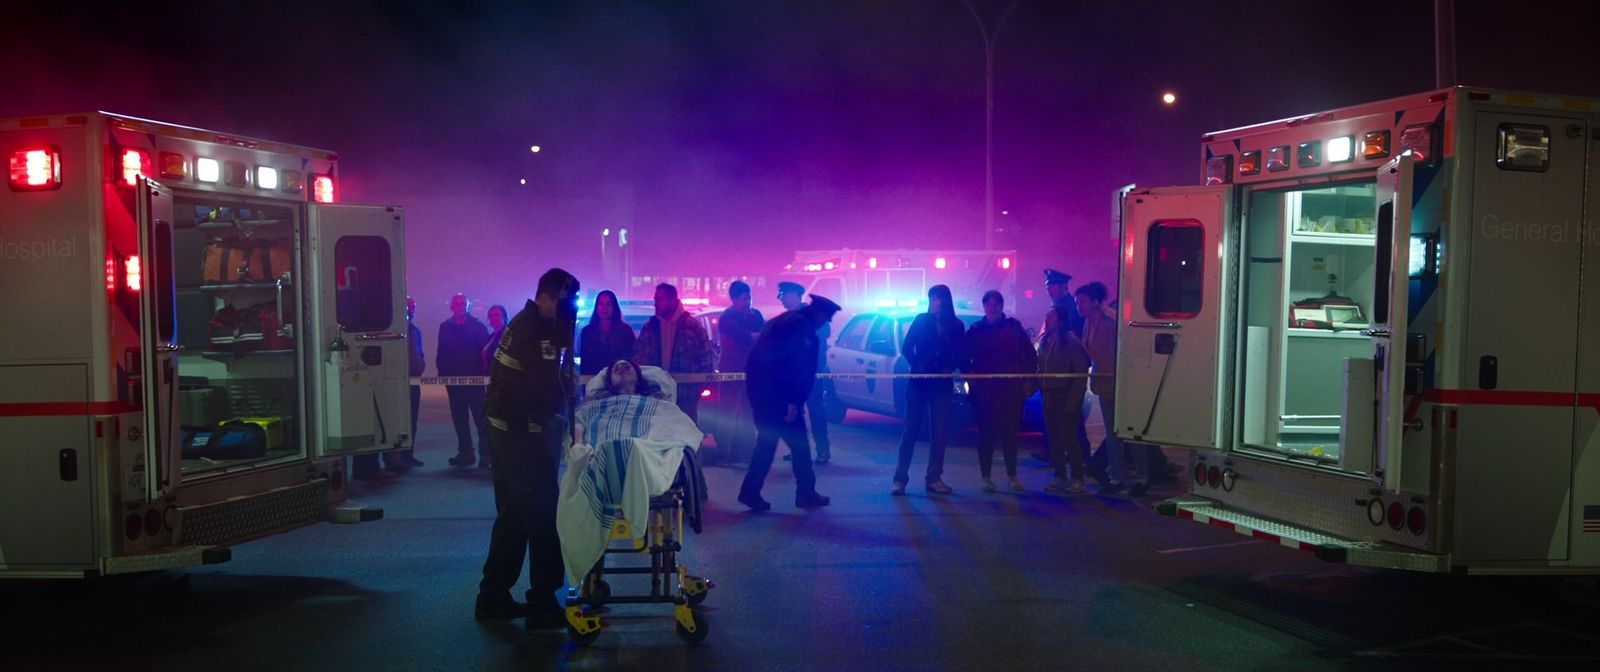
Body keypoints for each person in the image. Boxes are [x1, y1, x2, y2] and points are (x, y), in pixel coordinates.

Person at [476, 268, 580, 629]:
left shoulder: (532, 323)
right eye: (566, 304)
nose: (569, 311)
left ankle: (492, 596)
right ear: (547, 297)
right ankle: (542, 601)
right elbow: (546, 387)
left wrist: (566, 325)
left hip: (507, 429)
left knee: (514, 515)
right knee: (541, 513)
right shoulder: (534, 331)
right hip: (521, 433)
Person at [738, 295, 841, 511]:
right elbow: (794, 368)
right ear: (821, 315)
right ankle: (805, 493)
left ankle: (751, 491)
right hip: (781, 399)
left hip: (762, 395)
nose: (825, 325)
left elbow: (758, 359)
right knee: (800, 446)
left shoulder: (782, 321)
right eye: (826, 320)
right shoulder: (801, 329)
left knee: (766, 445)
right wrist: (793, 401)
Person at [891, 284, 965, 495]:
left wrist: (949, 366)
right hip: (919, 383)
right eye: (933, 298)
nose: (936, 303)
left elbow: (961, 351)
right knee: (910, 429)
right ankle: (900, 478)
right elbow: (907, 347)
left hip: (941, 384)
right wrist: (917, 364)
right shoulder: (921, 320)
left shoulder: (956, 325)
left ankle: (934, 478)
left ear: (947, 301)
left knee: (939, 431)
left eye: (940, 298)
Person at [1076, 281, 1148, 496]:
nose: (1079, 306)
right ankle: (1116, 477)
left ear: (1096, 301)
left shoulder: (1111, 321)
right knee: (1112, 433)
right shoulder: (1089, 322)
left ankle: (1143, 478)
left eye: (1083, 301)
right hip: (1104, 384)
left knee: (1131, 431)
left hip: (1123, 383)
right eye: (1077, 302)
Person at [964, 290, 1036, 492]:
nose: (992, 307)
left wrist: (1028, 380)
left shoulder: (1014, 328)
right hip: (984, 391)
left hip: (1010, 390)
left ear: (1001, 306)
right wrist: (969, 374)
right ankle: (986, 477)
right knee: (985, 434)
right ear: (984, 306)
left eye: (995, 304)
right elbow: (964, 356)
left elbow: (1029, 355)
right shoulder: (976, 331)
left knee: (1010, 434)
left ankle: (1012, 476)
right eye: (988, 304)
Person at [1037, 268, 1100, 482]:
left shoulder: (1068, 310)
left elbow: (1078, 341)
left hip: (1068, 375)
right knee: (1058, 428)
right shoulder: (1057, 309)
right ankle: (1060, 468)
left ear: (1063, 286)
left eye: (1052, 285)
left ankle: (1078, 465)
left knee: (1070, 426)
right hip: (1052, 384)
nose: (1049, 289)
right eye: (1047, 285)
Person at [633, 283, 715, 422]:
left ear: (672, 300)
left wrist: (696, 391)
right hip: (655, 397)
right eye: (655, 300)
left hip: (685, 398)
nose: (656, 304)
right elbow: (639, 358)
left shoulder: (692, 327)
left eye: (660, 299)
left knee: (686, 438)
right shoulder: (650, 328)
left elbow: (706, 360)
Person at [776, 281, 832, 463]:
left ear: (792, 295)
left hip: (811, 373)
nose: (781, 299)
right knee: (796, 413)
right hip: (795, 375)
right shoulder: (790, 317)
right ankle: (799, 449)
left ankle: (822, 450)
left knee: (815, 411)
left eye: (782, 295)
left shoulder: (812, 316)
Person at [1037, 304, 1090, 494]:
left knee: (1069, 437)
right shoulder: (1044, 341)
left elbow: (1080, 373)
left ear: (1060, 320)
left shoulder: (1071, 342)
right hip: (1049, 395)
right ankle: (1060, 475)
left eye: (1051, 317)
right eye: (1046, 316)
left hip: (1066, 394)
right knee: (1054, 438)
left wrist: (1074, 401)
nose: (1047, 320)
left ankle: (1077, 478)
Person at [715, 281, 764, 464]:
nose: (748, 301)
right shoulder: (728, 317)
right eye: (744, 298)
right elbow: (739, 337)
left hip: (750, 371)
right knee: (727, 411)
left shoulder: (756, 315)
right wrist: (752, 336)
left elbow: (763, 334)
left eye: (749, 297)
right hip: (731, 369)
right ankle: (724, 451)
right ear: (734, 299)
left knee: (747, 412)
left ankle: (747, 449)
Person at [439, 293, 490, 467]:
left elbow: (484, 353)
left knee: (481, 420)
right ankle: (465, 453)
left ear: (468, 306)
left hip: (475, 382)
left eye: (463, 303)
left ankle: (486, 455)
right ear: (451, 306)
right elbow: (442, 352)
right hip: (454, 383)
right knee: (459, 420)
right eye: (457, 303)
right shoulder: (445, 327)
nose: (460, 306)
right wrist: (443, 375)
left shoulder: (478, 327)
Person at [476, 304, 510, 470]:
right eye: (492, 316)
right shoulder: (490, 336)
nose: (494, 318)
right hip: (490, 386)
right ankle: (490, 456)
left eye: (497, 315)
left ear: (504, 317)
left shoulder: (508, 337)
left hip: (504, 388)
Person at [578, 290, 636, 377]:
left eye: (608, 304)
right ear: (596, 307)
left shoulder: (625, 331)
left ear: (614, 307)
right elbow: (585, 363)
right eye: (601, 304)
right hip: (593, 380)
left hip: (620, 381)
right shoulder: (587, 332)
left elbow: (630, 358)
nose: (604, 308)